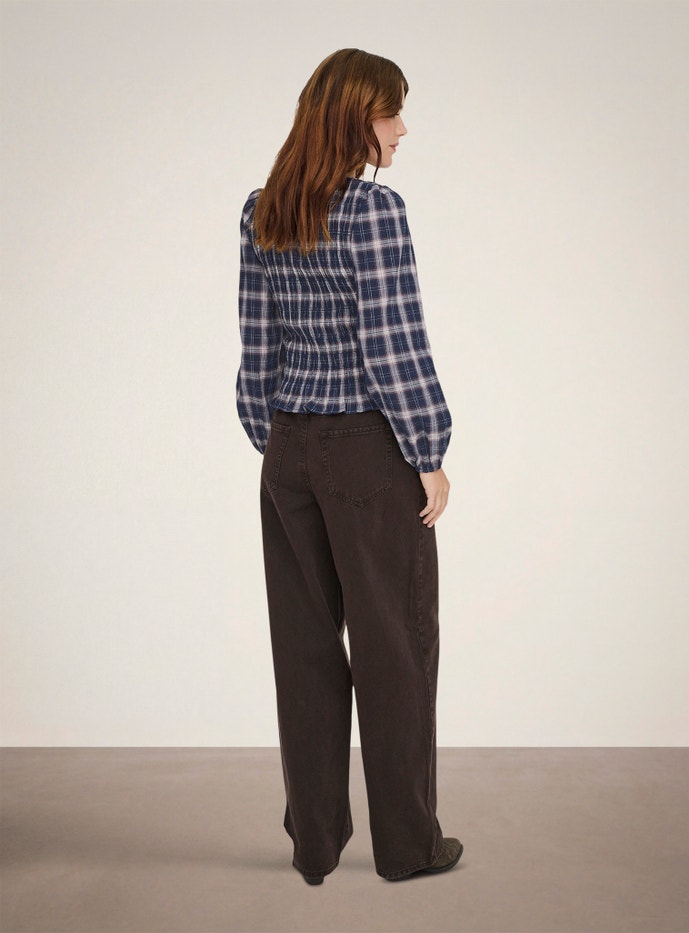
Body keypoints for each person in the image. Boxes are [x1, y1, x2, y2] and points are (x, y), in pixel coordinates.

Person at [236, 48, 462, 884]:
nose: (401, 130)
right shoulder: (373, 211)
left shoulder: (264, 208)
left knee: (303, 650)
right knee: (395, 648)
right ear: (352, 119)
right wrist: (428, 451)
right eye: (390, 113)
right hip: (369, 451)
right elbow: (395, 346)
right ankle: (408, 846)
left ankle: (315, 844)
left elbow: (258, 346)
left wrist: (276, 440)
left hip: (288, 450)